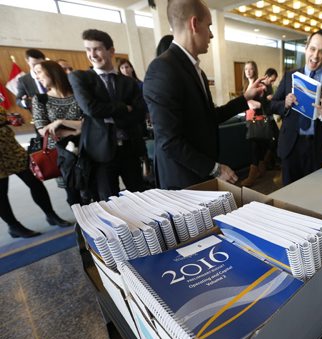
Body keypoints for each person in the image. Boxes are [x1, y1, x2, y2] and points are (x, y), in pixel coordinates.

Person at [143, 0, 265, 190]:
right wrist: (215, 169)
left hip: (199, 176)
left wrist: (245, 98)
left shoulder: (195, 70)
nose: (211, 34)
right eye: (208, 26)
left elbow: (209, 117)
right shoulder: (162, 69)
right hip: (183, 181)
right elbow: (170, 141)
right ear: (194, 24)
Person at [69, 29, 147, 201]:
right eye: (88, 49)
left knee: (140, 196)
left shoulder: (129, 83)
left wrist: (108, 111)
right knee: (108, 201)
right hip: (100, 151)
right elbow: (91, 109)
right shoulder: (80, 78)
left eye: (97, 49)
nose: (92, 54)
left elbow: (140, 114)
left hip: (129, 148)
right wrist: (124, 108)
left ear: (111, 51)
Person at [269, 30, 322, 186]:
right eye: (313, 49)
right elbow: (272, 105)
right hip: (291, 145)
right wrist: (285, 104)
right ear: (306, 48)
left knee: (311, 194)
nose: (315, 56)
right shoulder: (290, 75)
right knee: (288, 194)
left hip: (315, 148)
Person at [0, 106, 71, 238]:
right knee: (1, 191)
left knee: (33, 180)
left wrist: (9, 119)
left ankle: (51, 215)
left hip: (9, 147)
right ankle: (13, 226)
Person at [31, 60, 86, 206]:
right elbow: (43, 130)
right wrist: (77, 129)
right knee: (73, 194)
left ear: (51, 71)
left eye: (39, 72)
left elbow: (89, 122)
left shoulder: (77, 95)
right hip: (61, 153)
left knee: (93, 186)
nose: (37, 77)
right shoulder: (40, 99)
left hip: (85, 147)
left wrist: (60, 122)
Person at [240, 63, 277, 187]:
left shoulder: (260, 85)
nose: (248, 71)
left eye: (251, 69)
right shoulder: (246, 86)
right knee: (257, 147)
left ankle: (251, 177)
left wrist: (253, 102)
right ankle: (261, 170)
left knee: (255, 147)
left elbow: (259, 104)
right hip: (250, 120)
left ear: (255, 70)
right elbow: (248, 104)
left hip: (259, 120)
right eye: (246, 69)